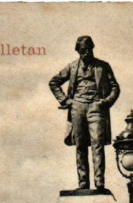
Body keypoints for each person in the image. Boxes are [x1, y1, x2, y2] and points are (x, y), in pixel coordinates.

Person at [49, 36, 120, 190]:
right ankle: (83, 182)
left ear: (92, 49)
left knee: (97, 144)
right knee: (80, 146)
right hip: (78, 107)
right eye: (82, 51)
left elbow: (115, 87)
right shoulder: (72, 67)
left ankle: (99, 182)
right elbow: (53, 82)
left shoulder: (103, 67)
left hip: (96, 107)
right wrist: (66, 101)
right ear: (78, 52)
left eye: (88, 50)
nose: (85, 53)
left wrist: (106, 102)